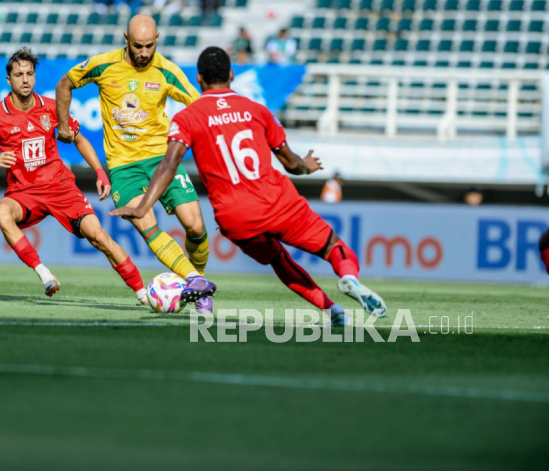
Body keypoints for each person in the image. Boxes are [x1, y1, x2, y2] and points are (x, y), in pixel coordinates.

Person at [111, 47, 388, 324]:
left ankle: (334, 312)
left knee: (279, 261)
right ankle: (349, 278)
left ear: (199, 79)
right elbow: (292, 164)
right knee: (332, 247)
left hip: (235, 218)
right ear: (231, 75)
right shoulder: (258, 110)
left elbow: (169, 164)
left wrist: (143, 206)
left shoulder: (187, 117)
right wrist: (307, 165)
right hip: (278, 203)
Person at [56, 14, 216, 312]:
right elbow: (65, 83)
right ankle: (195, 280)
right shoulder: (102, 65)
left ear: (158, 40)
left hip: (162, 160)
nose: (144, 53)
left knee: (195, 226)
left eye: (150, 46)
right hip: (123, 167)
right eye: (138, 46)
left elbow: (200, 105)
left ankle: (200, 283)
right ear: (126, 39)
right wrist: (63, 126)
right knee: (147, 224)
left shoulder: (167, 71)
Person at [0, 48, 147, 304]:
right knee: (1, 213)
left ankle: (143, 294)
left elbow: (80, 139)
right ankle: (44, 274)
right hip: (24, 193)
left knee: (99, 237)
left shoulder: (53, 108)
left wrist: (100, 172)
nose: (25, 80)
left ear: (35, 77)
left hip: (60, 187)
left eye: (29, 74)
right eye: (19, 74)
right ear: (8, 80)